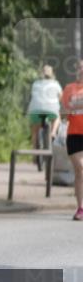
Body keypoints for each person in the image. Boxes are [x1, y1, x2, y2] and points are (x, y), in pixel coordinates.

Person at [60, 60, 83, 221]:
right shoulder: (69, 88)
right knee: (80, 169)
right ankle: (80, 208)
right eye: (80, 67)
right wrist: (70, 109)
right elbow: (62, 112)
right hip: (74, 133)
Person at [27, 64, 62, 150]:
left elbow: (32, 96)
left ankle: (34, 153)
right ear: (52, 74)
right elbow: (61, 96)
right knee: (57, 117)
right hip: (51, 111)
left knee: (34, 130)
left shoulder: (36, 83)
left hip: (35, 111)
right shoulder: (56, 84)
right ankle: (53, 133)